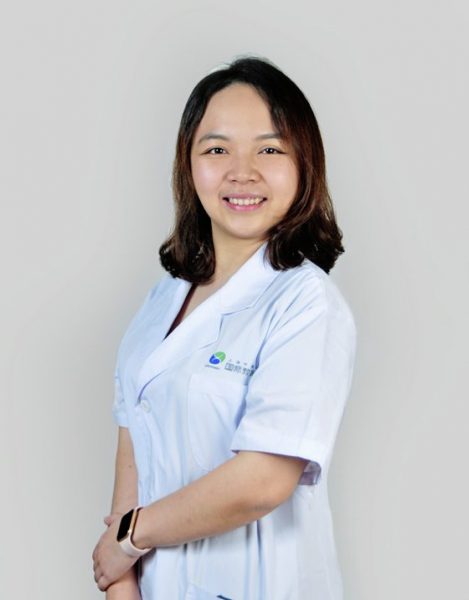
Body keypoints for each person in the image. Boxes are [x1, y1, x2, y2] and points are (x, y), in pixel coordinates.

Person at [92, 55, 357, 600]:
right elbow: (132, 462)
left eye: (270, 150)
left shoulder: (306, 303)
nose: (242, 172)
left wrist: (131, 537)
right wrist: (121, 580)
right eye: (216, 150)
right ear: (188, 165)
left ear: (304, 164)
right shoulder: (161, 301)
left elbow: (262, 481)